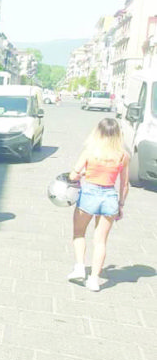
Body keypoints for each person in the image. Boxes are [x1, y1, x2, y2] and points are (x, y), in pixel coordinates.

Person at [67, 118, 129, 292]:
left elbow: (73, 176)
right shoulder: (123, 155)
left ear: (98, 133)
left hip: (89, 194)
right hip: (109, 197)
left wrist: (84, 172)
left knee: (79, 233)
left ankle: (79, 267)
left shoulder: (90, 151)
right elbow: (124, 184)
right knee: (100, 241)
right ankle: (94, 279)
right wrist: (121, 204)